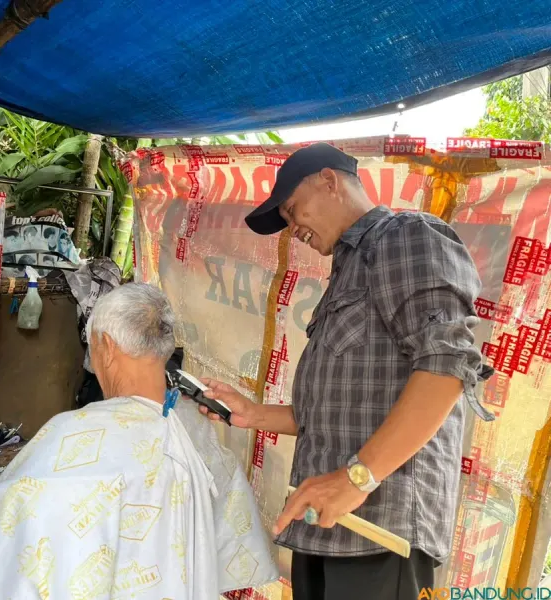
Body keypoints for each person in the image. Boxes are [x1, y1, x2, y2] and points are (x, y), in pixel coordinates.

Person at [198, 143, 493, 600]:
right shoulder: (348, 271)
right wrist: (254, 414)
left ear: (329, 181)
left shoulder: (405, 236)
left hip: (380, 533)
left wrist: (357, 477)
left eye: (293, 211)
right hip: (324, 529)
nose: (293, 229)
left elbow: (448, 364)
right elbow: (331, 412)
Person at [0, 283, 279, 600]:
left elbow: (10, 531)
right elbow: (233, 529)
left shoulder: (72, 433)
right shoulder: (193, 431)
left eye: (92, 348)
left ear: (108, 347)